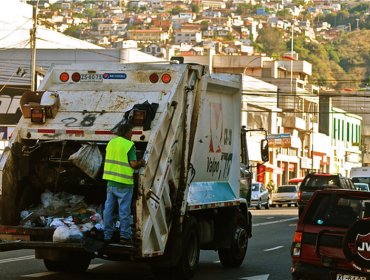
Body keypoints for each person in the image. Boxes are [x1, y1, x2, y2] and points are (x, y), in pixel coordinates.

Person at [102, 122, 145, 245]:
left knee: (108, 209)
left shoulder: (111, 143)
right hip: (124, 184)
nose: (132, 135)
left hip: (111, 182)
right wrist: (141, 162)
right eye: (131, 133)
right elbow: (133, 164)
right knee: (124, 211)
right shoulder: (129, 145)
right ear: (126, 133)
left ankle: (107, 235)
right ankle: (125, 236)